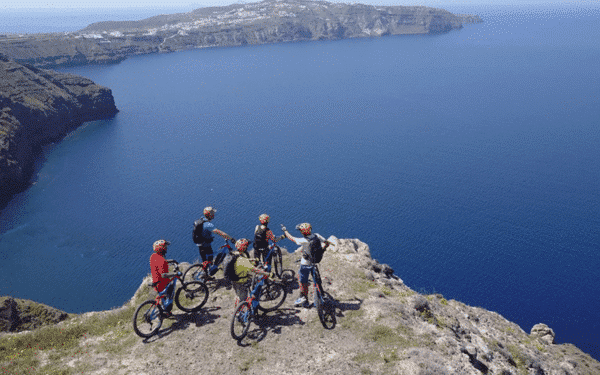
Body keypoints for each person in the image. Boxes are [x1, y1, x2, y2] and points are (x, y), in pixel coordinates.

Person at [281, 222, 330, 308]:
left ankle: (304, 298)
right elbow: (326, 243)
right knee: (317, 279)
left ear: (302, 232)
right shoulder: (317, 236)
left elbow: (291, 238)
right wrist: (323, 249)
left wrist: (285, 231)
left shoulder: (303, 240)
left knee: (302, 281)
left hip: (305, 264)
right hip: (315, 261)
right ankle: (322, 293)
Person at [230, 238, 272, 308]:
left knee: (238, 295)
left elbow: (242, 262)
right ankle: (240, 314)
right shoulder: (243, 260)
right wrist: (268, 274)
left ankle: (237, 307)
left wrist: (252, 260)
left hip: (234, 279)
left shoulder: (234, 254)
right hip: (241, 281)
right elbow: (255, 270)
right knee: (243, 298)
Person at [149, 239, 175, 316]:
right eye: (165, 247)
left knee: (163, 296)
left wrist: (169, 261)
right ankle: (167, 311)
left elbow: (160, 262)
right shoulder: (162, 260)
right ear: (162, 249)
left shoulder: (153, 256)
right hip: (162, 283)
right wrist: (174, 273)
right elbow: (164, 274)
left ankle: (163, 309)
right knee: (170, 291)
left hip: (156, 281)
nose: (166, 249)